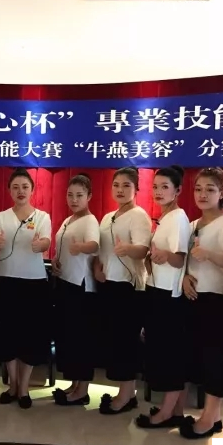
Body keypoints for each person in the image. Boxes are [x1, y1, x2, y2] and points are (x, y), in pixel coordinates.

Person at [178, 167, 223, 439]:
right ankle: (211, 417)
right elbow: (185, 261)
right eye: (198, 189)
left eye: (210, 189)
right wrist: (184, 278)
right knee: (199, 358)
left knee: (216, 358)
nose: (203, 194)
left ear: (222, 193)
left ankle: (209, 417)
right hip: (193, 298)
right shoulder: (192, 225)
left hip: (217, 299)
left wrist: (209, 254)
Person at [0, 168, 52, 409]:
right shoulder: (1, 216)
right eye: (15, 187)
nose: (20, 191)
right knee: (8, 334)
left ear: (32, 190)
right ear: (9, 190)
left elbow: (46, 241)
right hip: (5, 281)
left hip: (33, 284)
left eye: (25, 187)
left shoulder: (42, 216)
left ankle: (24, 387)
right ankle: (13, 385)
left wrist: (41, 244)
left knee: (30, 336)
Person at [135, 166, 190, 429]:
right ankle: (175, 411)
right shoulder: (166, 217)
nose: (158, 192)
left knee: (169, 356)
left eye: (165, 187)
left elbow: (179, 259)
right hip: (157, 290)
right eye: (155, 187)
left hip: (169, 295)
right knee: (165, 353)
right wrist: (152, 258)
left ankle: (166, 413)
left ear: (177, 190)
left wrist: (164, 256)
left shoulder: (178, 217)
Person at [94, 167, 151, 415]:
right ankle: (125, 392)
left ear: (136, 189)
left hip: (130, 287)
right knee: (114, 341)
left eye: (126, 185)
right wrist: (98, 267)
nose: (120, 189)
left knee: (126, 341)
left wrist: (128, 249)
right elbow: (101, 250)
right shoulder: (108, 217)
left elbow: (143, 250)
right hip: (110, 285)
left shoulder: (139, 216)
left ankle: (127, 396)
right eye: (116, 185)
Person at [51, 174, 99, 406]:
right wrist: (55, 260)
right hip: (65, 283)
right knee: (69, 337)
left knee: (81, 339)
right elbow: (61, 247)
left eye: (79, 195)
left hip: (81, 286)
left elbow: (94, 245)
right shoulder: (68, 220)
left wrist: (80, 247)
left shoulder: (90, 221)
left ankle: (82, 391)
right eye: (70, 195)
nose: (74, 199)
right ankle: (74, 384)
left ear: (89, 196)